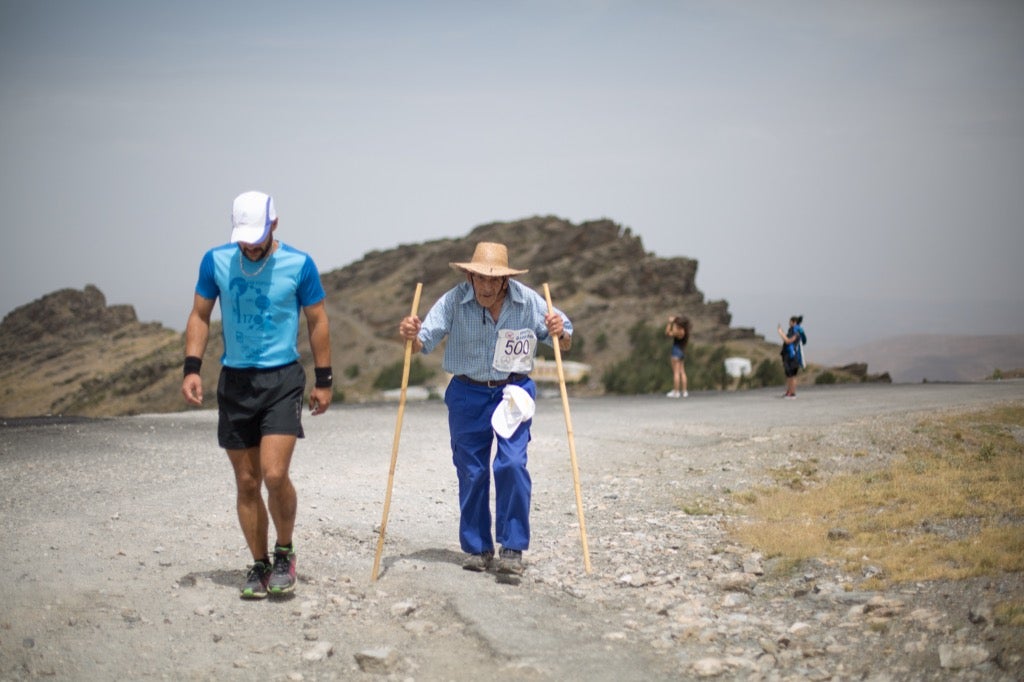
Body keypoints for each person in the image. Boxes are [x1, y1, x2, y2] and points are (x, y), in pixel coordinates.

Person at [181, 190, 333, 600]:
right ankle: (260, 563)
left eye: (257, 236)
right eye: (243, 237)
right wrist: (191, 368)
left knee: (274, 474)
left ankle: (285, 551)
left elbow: (317, 320)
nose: (249, 245)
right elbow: (199, 314)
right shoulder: (215, 261)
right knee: (247, 482)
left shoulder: (299, 264)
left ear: (274, 225)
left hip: (282, 380)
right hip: (235, 382)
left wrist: (324, 379)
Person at [398, 242, 572, 576]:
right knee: (472, 471)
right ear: (469, 276)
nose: (486, 286)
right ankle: (478, 547)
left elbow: (564, 337)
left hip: (513, 392)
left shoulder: (529, 301)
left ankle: (512, 547)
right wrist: (411, 335)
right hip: (467, 392)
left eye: (494, 280)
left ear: (506, 281)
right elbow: (424, 340)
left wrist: (558, 332)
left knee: (511, 463)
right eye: (480, 279)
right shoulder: (452, 301)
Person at [777, 315, 807, 398]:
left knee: (791, 375)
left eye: (790, 322)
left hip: (792, 356)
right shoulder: (794, 331)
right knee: (790, 375)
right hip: (790, 356)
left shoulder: (795, 332)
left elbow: (788, 341)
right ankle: (789, 391)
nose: (789, 323)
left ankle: (792, 393)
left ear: (794, 322)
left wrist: (780, 333)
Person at [664, 315, 690, 398]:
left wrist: (670, 322)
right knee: (682, 371)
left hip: (676, 351)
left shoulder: (678, 332)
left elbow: (667, 332)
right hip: (682, 351)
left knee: (676, 372)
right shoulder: (684, 331)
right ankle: (684, 391)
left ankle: (676, 391)